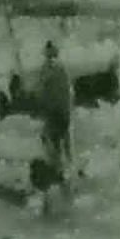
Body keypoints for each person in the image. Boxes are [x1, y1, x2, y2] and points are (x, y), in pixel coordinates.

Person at [37, 41, 72, 172]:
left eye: (51, 54)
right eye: (49, 54)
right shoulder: (58, 68)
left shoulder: (53, 68)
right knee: (58, 138)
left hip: (57, 108)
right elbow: (66, 90)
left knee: (57, 138)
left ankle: (62, 166)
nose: (50, 57)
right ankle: (62, 165)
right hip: (56, 109)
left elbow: (43, 89)